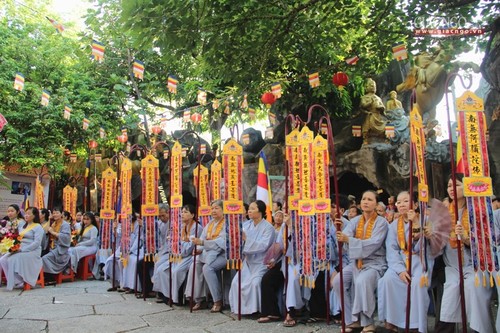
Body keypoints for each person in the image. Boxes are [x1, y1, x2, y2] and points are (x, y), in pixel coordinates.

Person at [435, 175, 494, 333]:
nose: (451, 189)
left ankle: (479, 330)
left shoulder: (477, 211)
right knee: (451, 290)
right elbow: (437, 244)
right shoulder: (443, 211)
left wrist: (467, 238)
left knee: (474, 288)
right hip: (452, 265)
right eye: (449, 186)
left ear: (467, 187)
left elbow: (487, 240)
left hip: (474, 266)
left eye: (457, 185)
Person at [378, 191, 434, 332]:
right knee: (388, 280)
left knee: (417, 283)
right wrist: (400, 270)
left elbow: (429, 247)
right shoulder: (394, 225)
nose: (402, 204)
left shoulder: (426, 221)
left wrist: (417, 225)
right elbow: (392, 250)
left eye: (406, 201)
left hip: (421, 260)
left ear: (415, 204)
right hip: (401, 261)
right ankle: (392, 321)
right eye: (399, 202)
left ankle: (416, 325)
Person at [332, 190, 388, 333]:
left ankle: (368, 322)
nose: (365, 202)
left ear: (376, 204)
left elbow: (374, 243)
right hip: (356, 262)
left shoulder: (382, 223)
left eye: (370, 199)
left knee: (362, 281)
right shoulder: (355, 220)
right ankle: (352, 319)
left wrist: (348, 240)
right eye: (363, 199)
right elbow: (346, 237)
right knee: (338, 281)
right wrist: (342, 236)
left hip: (375, 263)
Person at [228, 200, 276, 315]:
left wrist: (246, 239)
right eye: (249, 208)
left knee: (255, 283)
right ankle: (241, 309)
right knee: (236, 283)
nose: (249, 211)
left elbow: (263, 246)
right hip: (248, 262)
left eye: (253, 208)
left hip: (261, 263)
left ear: (260, 211)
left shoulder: (268, 227)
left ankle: (256, 309)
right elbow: (238, 242)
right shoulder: (246, 225)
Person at [155, 204, 202, 304]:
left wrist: (178, 242)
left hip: (189, 256)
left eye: (185, 212)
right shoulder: (180, 226)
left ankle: (177, 298)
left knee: (176, 271)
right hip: (177, 254)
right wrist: (176, 242)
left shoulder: (196, 227)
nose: (182, 214)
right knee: (161, 270)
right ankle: (167, 295)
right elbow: (172, 242)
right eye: (182, 212)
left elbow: (190, 247)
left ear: (192, 215)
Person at [188, 200, 226, 312]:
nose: (213, 210)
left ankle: (217, 300)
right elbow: (202, 239)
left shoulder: (226, 223)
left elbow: (221, 243)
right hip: (209, 252)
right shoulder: (210, 224)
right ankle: (199, 299)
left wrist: (203, 244)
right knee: (195, 264)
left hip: (224, 254)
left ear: (223, 210)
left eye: (217, 208)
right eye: (212, 208)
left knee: (207, 268)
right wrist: (199, 249)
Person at [0, 207, 44, 290]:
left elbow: (37, 243)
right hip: (20, 248)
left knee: (11, 259)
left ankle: (20, 281)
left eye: (28, 214)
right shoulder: (24, 226)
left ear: (34, 215)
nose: (26, 215)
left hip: (32, 251)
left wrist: (22, 250)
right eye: (25, 213)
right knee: (3, 260)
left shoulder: (38, 227)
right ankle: (16, 281)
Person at [42, 207, 71, 278]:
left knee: (45, 258)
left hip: (61, 249)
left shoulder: (65, 224)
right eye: (53, 213)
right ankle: (47, 275)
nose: (55, 215)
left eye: (57, 213)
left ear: (61, 214)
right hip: (52, 247)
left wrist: (53, 232)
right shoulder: (53, 223)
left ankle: (51, 276)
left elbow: (66, 238)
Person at [118, 212, 143, 293]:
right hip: (127, 248)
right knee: (121, 260)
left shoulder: (138, 223)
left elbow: (139, 239)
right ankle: (124, 284)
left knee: (132, 261)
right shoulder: (124, 223)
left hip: (139, 248)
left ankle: (133, 286)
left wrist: (131, 250)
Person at [151, 203, 171, 301]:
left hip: (172, 251)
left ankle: (161, 292)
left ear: (169, 213)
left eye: (163, 215)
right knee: (157, 263)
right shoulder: (160, 223)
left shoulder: (174, 222)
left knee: (159, 266)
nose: (162, 218)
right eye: (159, 216)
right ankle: (158, 290)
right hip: (163, 249)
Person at [360, 78, 386, 144]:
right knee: (367, 126)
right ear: (366, 87)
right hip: (370, 114)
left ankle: (382, 138)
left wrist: (381, 108)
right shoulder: (364, 97)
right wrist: (370, 102)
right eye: (371, 86)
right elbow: (362, 105)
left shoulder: (378, 98)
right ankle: (365, 139)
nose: (373, 87)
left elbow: (382, 106)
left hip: (378, 115)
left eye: (374, 86)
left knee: (385, 125)